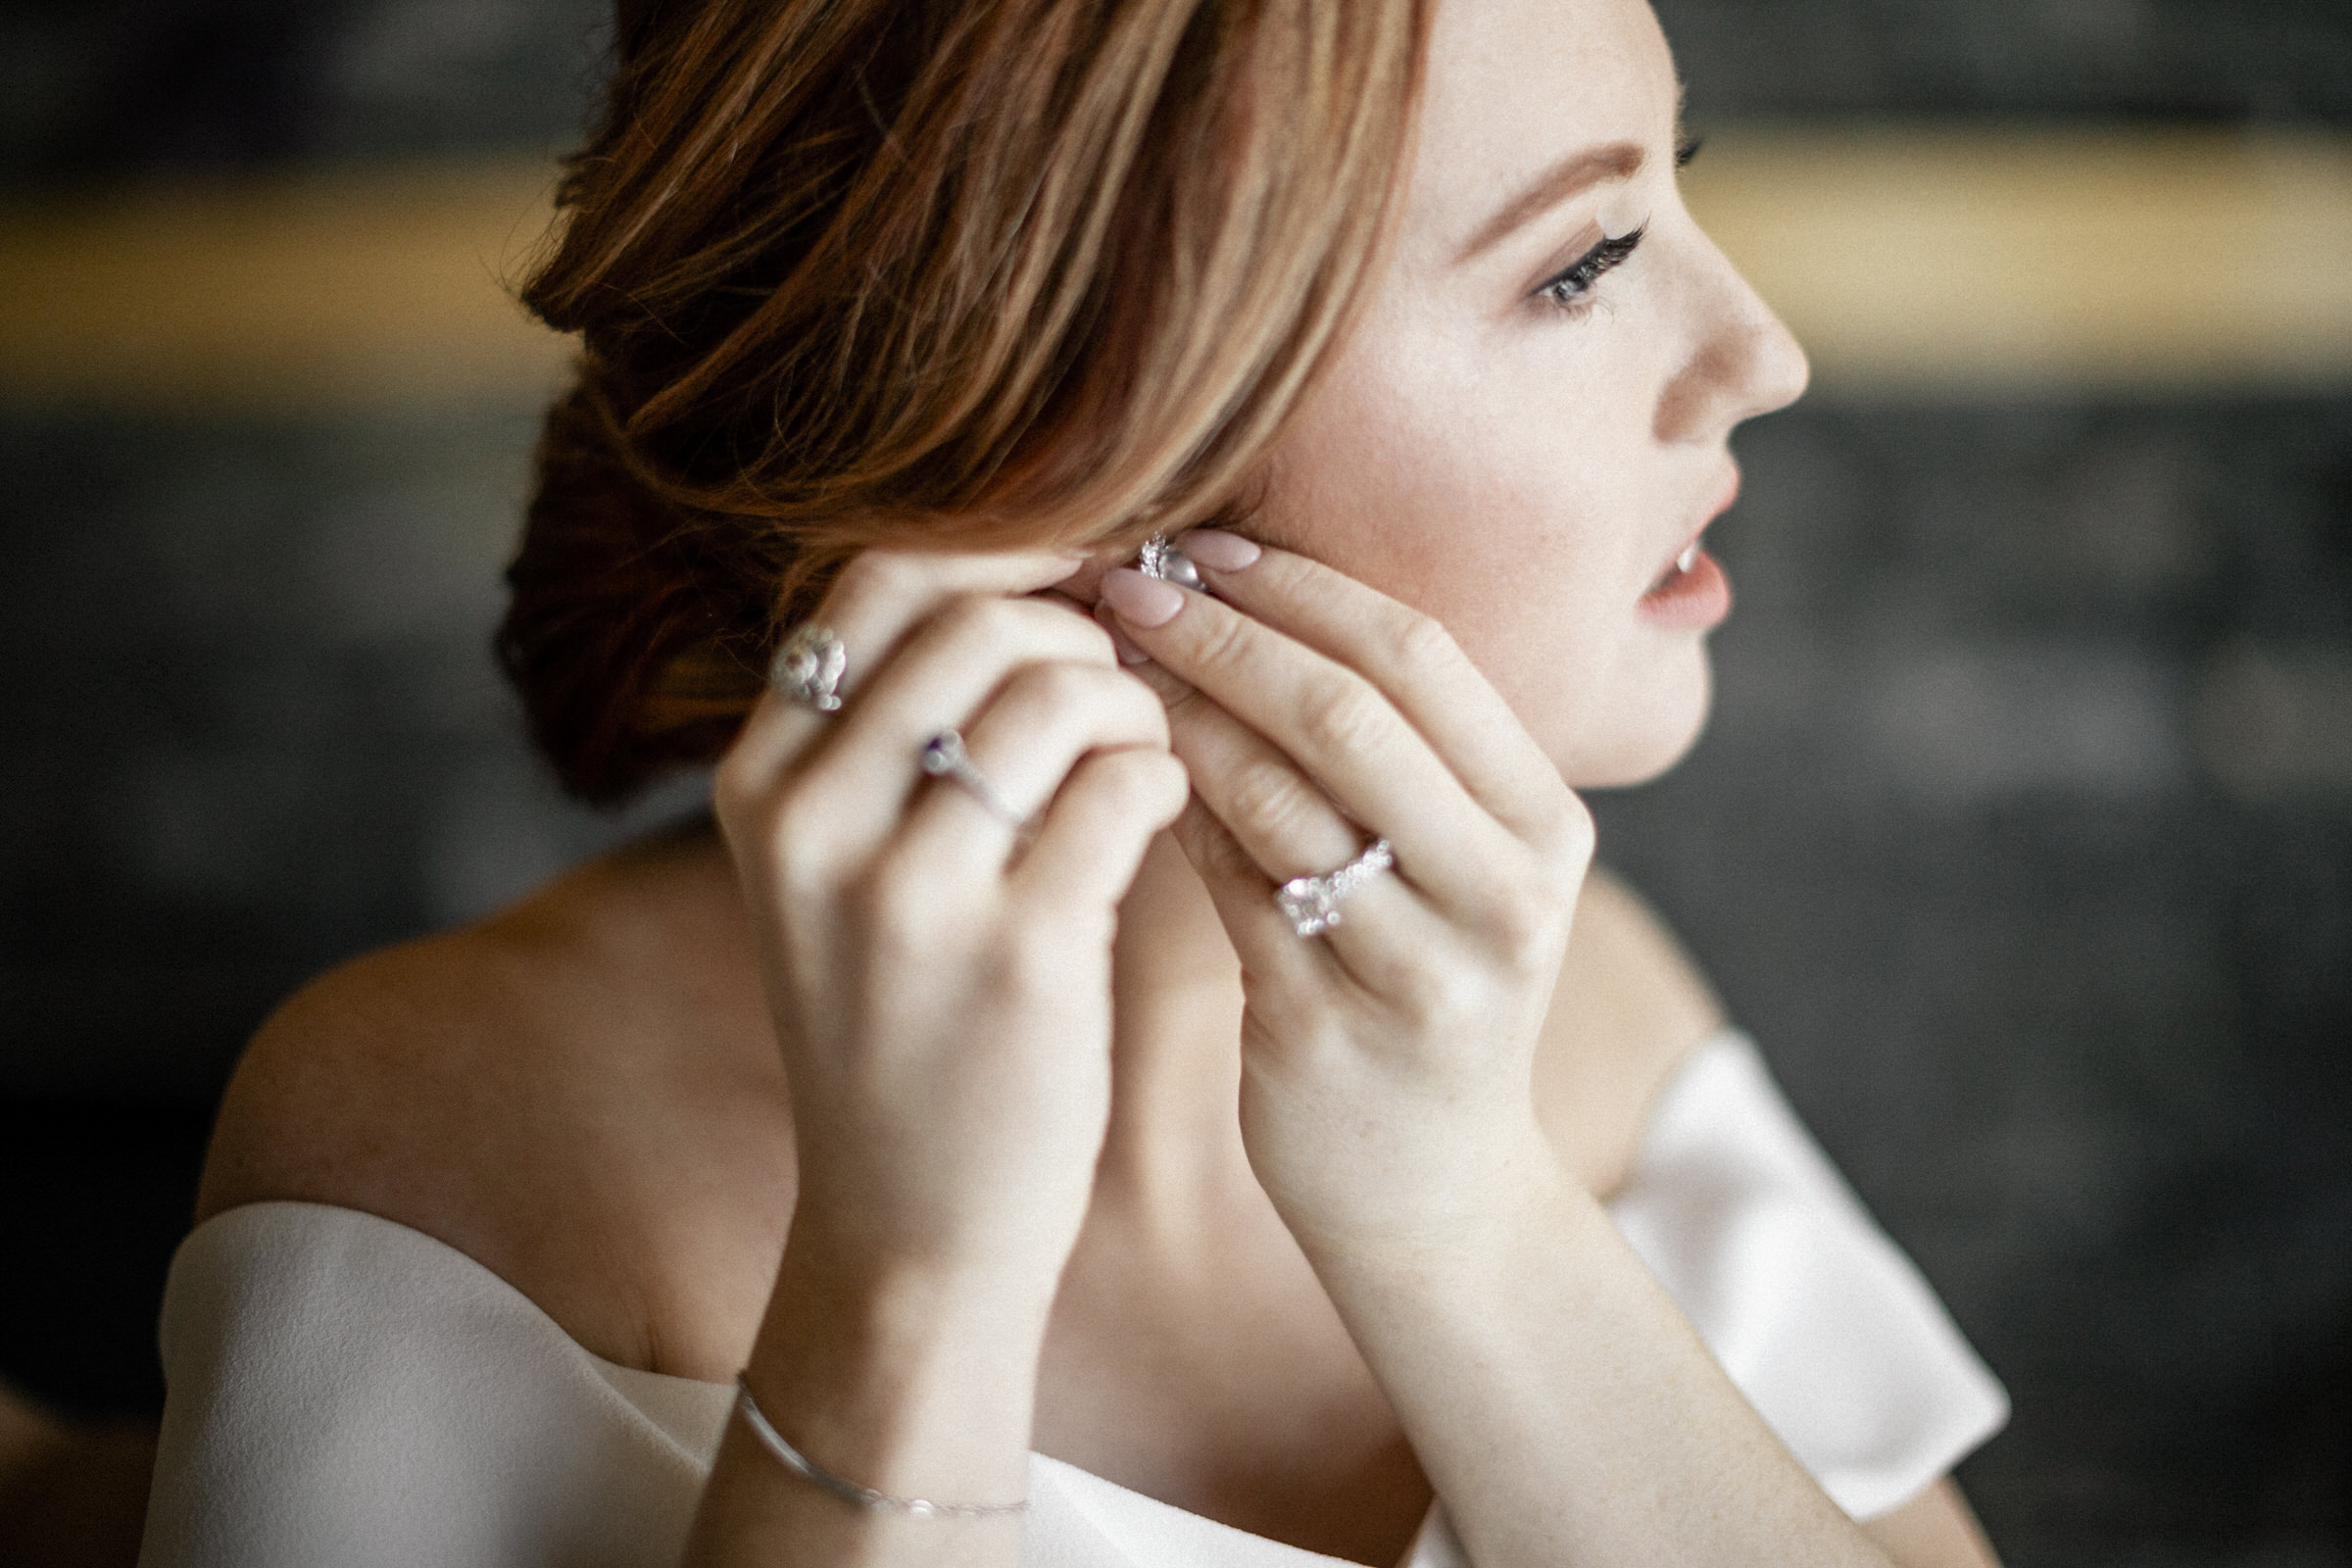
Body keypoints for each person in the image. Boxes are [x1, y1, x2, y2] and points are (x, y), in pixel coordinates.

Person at [138, 0, 2011, 1563]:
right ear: (1064, 467)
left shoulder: (1580, 1010)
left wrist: (1464, 1216)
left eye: (1672, 187)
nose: (1763, 355)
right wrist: (905, 1279)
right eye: (1582, 264)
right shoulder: (440, 1154)